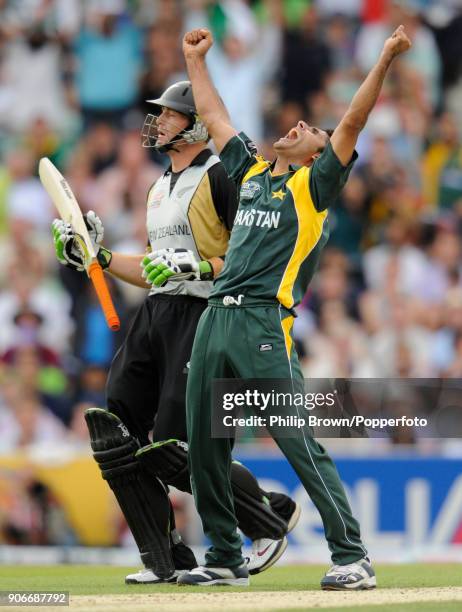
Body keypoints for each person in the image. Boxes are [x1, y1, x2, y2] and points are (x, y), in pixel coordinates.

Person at [178, 26, 412, 588]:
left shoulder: (312, 189)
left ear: (317, 156)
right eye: (301, 123)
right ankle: (227, 558)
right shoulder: (253, 173)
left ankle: (352, 554)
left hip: (262, 322)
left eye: (312, 131)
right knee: (204, 449)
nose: (299, 127)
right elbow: (212, 117)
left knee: (297, 441)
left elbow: (352, 122)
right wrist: (195, 61)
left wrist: (383, 56)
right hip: (216, 317)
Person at [51, 81, 299, 584]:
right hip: (156, 315)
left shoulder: (222, 178)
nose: (159, 121)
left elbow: (251, 258)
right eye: (160, 113)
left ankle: (266, 518)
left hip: (204, 315)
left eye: (170, 114)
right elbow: (153, 268)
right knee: (115, 430)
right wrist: (97, 259)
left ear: (197, 125)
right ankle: (163, 556)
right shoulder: (159, 186)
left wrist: (201, 265)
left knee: (173, 445)